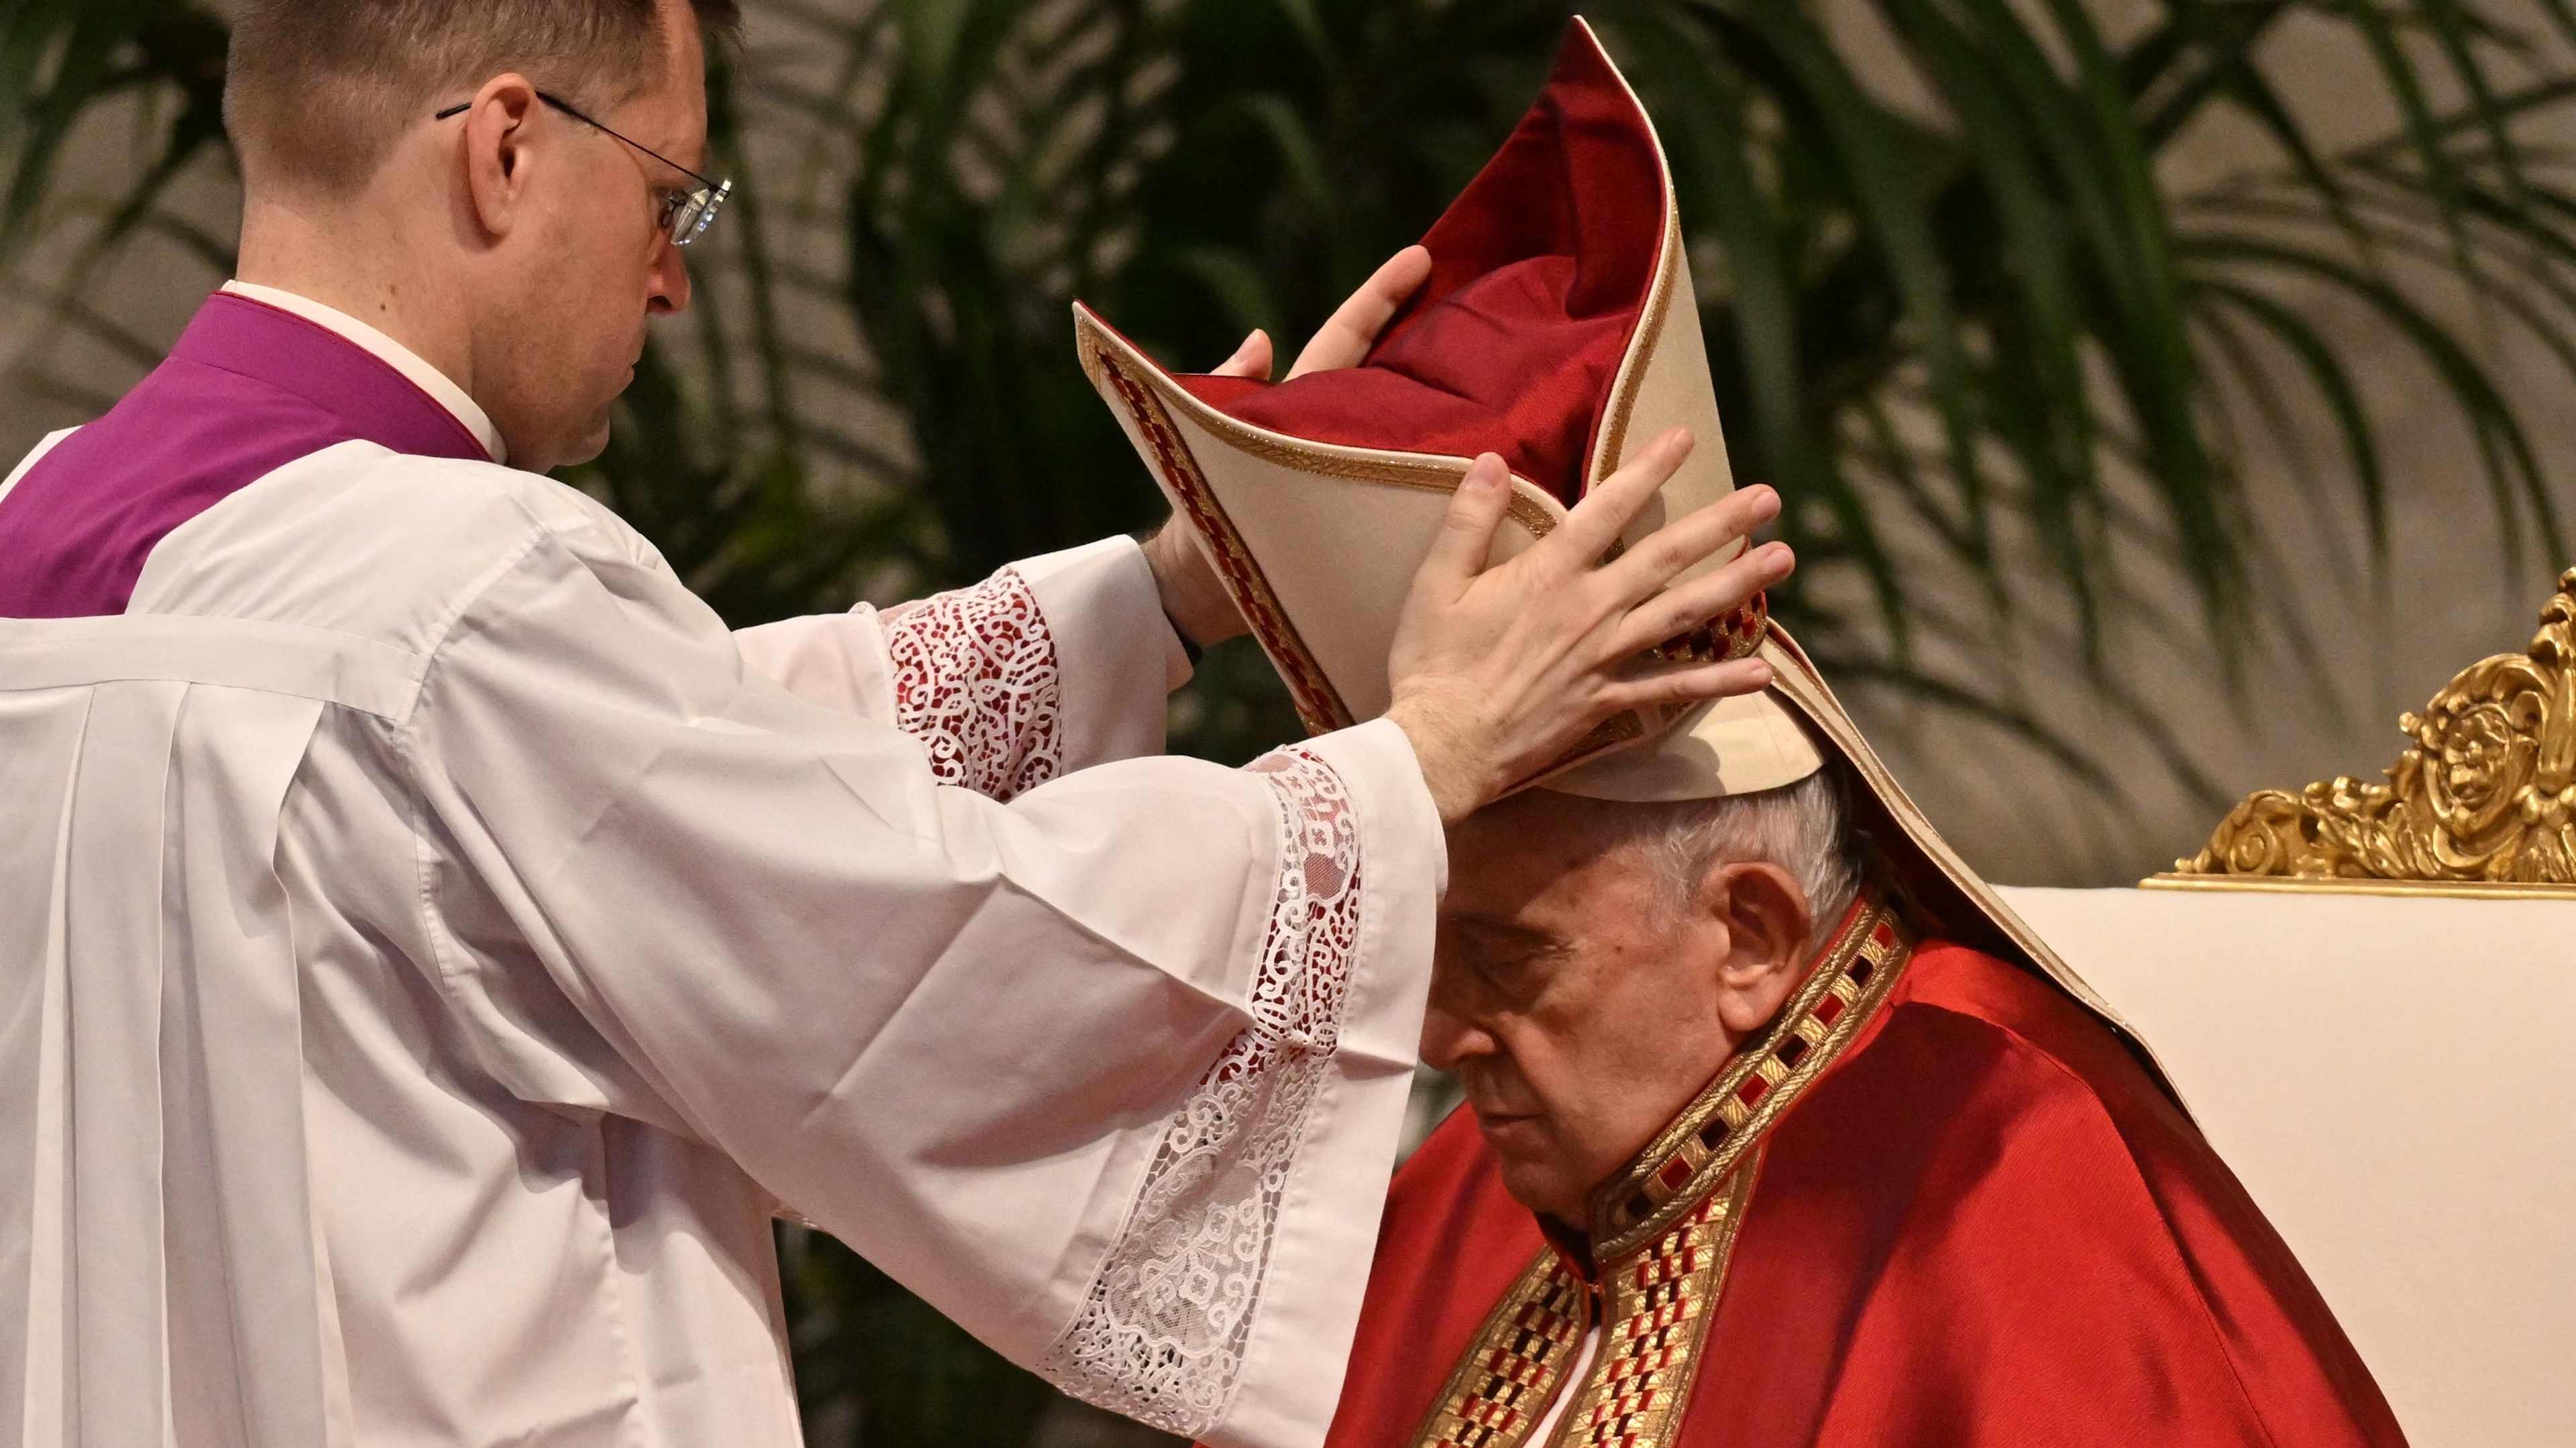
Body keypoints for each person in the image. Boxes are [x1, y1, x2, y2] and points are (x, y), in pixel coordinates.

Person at [0, 2, 1792, 1444]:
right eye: (674, 197)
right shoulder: (469, 590)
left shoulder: (48, 530)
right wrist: (1425, 760)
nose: (674, 279)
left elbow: (706, 766)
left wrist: (1178, 585)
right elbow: (926, 938)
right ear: (508, 146)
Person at [1089, 22, 2407, 1447]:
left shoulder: (2002, 1170)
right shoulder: (1495, 1179)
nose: (1437, 1035)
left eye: (1507, 955)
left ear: (1754, 935)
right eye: (1429, 951)